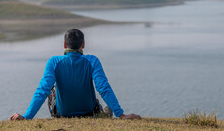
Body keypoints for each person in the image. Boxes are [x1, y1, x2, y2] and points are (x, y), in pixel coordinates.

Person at [10, 29, 141, 120]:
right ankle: (105, 113)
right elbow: (103, 88)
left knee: (50, 89)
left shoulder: (53, 62)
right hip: (89, 112)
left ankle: (58, 117)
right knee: (102, 105)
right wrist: (121, 115)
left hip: (63, 114)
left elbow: (42, 90)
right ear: (83, 44)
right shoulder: (92, 60)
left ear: (64, 44)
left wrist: (27, 117)